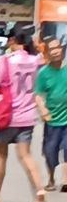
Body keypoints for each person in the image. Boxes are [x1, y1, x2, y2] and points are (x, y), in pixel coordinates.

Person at [0, 24, 48, 202]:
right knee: (26, 156)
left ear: (11, 41)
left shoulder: (6, 60)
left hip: (7, 116)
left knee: (1, 155)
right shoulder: (35, 60)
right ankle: (39, 192)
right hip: (27, 116)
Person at [36, 38, 67, 191]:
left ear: (62, 49)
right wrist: (43, 109)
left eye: (57, 48)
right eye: (51, 49)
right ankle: (51, 179)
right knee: (50, 152)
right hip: (52, 120)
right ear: (47, 53)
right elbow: (38, 95)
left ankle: (66, 180)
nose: (55, 51)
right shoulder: (43, 73)